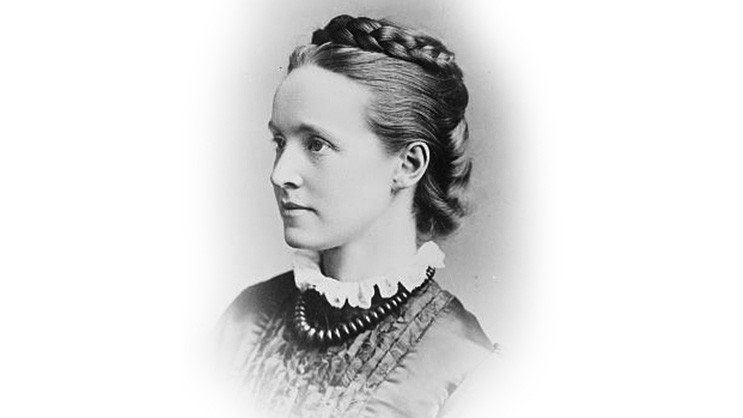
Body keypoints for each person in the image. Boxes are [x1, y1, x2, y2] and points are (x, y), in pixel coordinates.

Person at [217, 14, 495, 417]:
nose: (280, 174)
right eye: (280, 142)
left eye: (317, 144)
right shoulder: (244, 321)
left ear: (408, 165)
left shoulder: (465, 367)